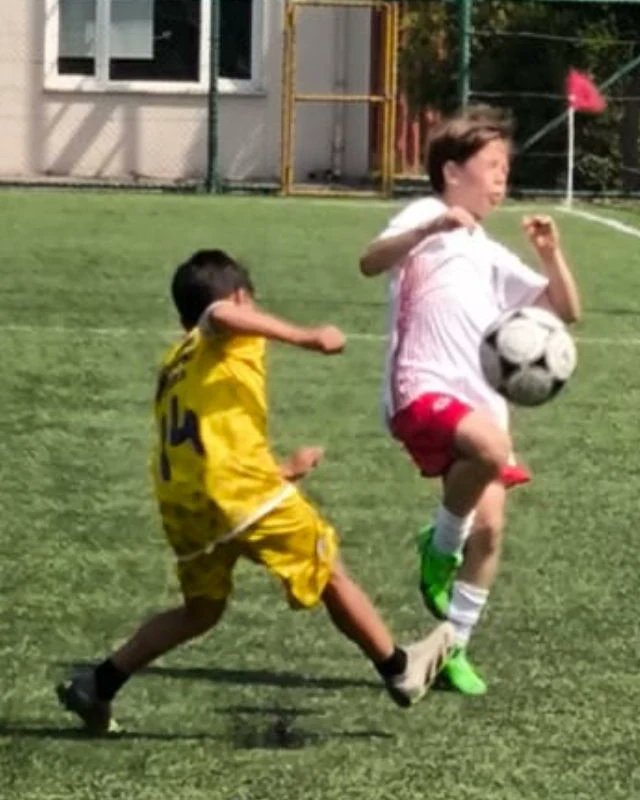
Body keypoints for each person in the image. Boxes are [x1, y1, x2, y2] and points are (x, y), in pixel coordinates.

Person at [56, 249, 454, 733]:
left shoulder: (176, 361)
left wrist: (282, 471)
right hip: (240, 492)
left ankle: (99, 685)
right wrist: (309, 337)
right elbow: (220, 313)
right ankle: (399, 669)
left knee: (199, 612)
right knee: (327, 566)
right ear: (242, 297)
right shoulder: (224, 327)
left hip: (189, 505)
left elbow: (208, 437)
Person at [359, 106, 581, 695]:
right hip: (421, 387)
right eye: (493, 165)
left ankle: (450, 646)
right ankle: (438, 544)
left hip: (481, 400)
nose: (502, 178)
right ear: (453, 172)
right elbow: (369, 260)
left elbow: (564, 311)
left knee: (492, 531)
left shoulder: (488, 250)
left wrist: (549, 253)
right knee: (489, 450)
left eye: (507, 167)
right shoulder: (427, 213)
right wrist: (429, 231)